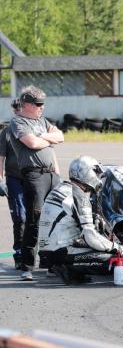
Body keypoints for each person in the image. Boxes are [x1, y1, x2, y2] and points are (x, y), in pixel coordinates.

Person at [38, 156, 123, 285]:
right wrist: (116, 247)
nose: (98, 176)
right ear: (86, 172)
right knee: (112, 261)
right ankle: (68, 269)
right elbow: (90, 236)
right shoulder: (79, 196)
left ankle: (69, 271)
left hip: (48, 252)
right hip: (61, 252)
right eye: (96, 172)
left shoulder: (61, 188)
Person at [8, 86, 64, 281]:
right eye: (39, 104)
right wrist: (48, 139)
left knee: (58, 219)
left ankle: (52, 263)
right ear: (28, 105)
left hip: (51, 175)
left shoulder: (42, 121)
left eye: (43, 104)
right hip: (33, 175)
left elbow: (61, 136)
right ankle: (27, 267)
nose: (42, 107)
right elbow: (32, 143)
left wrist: (44, 137)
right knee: (34, 220)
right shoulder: (18, 122)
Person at [0, 99, 26, 269]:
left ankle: (42, 254)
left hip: (35, 179)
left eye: (20, 108)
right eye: (15, 109)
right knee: (20, 218)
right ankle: (19, 253)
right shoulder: (6, 132)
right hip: (14, 179)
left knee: (37, 218)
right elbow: (0, 158)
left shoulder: (37, 129)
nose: (18, 111)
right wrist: (0, 180)